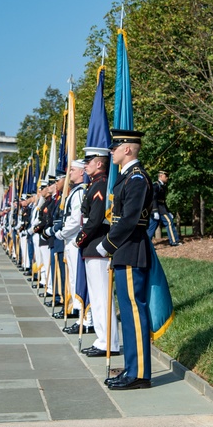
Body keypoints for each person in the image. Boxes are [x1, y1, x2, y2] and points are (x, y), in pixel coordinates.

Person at [98, 129, 155, 390]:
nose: (112, 151)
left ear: (128, 149)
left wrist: (106, 245)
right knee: (129, 316)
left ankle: (140, 372)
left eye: (115, 147)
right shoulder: (127, 177)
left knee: (134, 313)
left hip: (131, 249)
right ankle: (132, 368)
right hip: (124, 250)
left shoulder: (137, 178)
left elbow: (131, 220)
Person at [72, 148, 111, 343]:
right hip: (92, 246)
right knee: (96, 297)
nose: (85, 165)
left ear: (99, 163)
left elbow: (95, 219)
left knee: (101, 297)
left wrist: (81, 238)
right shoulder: (93, 184)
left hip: (97, 244)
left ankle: (108, 342)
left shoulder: (101, 185)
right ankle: (102, 339)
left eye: (89, 161)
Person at [56, 159, 88, 324]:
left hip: (75, 239)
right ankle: (77, 311)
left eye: (73, 170)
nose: (69, 173)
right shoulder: (76, 192)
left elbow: (76, 220)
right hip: (70, 240)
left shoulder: (80, 192)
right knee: (73, 278)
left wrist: (62, 233)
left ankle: (81, 313)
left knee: (77, 277)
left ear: (82, 172)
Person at [146, 171, 181, 246]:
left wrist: (169, 211)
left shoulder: (162, 186)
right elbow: (154, 198)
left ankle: (146, 245)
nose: (167, 178)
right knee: (169, 221)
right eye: (166, 176)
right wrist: (155, 211)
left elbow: (163, 201)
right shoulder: (156, 185)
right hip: (158, 209)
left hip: (160, 208)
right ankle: (174, 241)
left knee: (152, 227)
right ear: (161, 176)